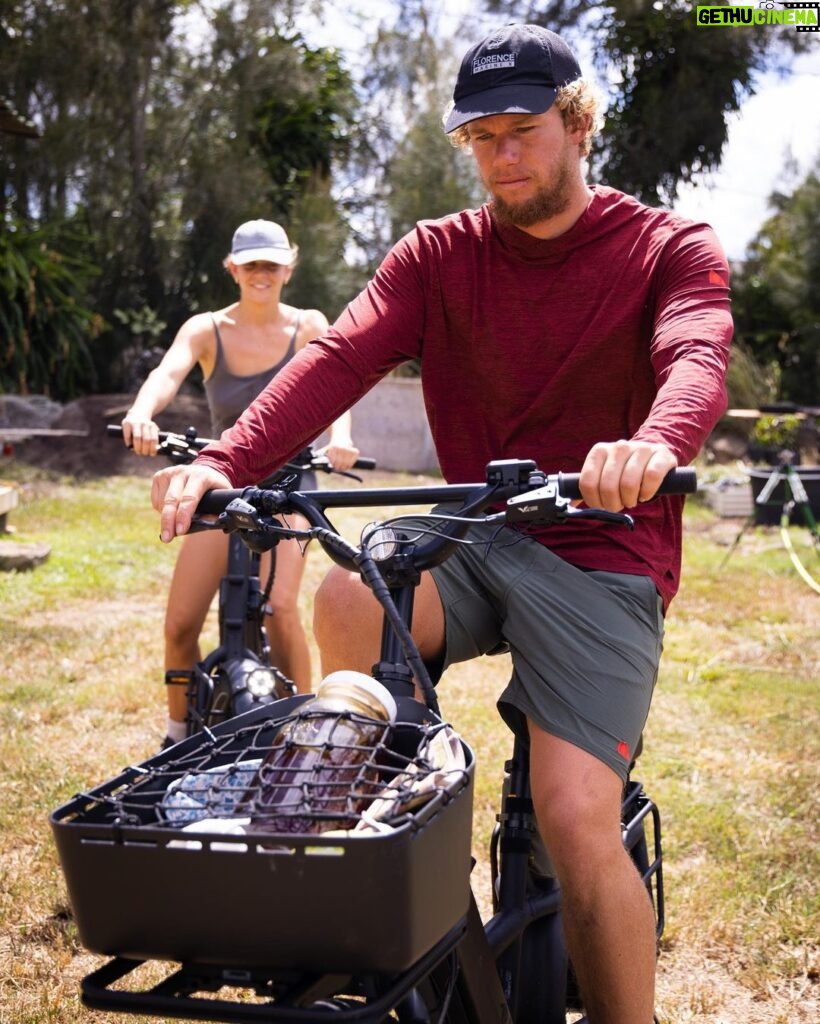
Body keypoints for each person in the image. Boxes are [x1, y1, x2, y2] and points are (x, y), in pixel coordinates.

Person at [150, 25, 733, 1023]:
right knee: (350, 589)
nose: (504, 155)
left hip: (601, 551)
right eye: (482, 138)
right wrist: (224, 460)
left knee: (575, 815)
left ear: (578, 122)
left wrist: (651, 442)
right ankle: (401, 851)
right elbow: (337, 360)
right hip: (480, 531)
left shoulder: (665, 246)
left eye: (525, 130)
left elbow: (696, 352)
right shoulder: (438, 254)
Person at [122, 219, 360, 746]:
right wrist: (141, 412)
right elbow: (168, 372)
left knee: (279, 610)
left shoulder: (307, 326)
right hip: (221, 483)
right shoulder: (207, 329)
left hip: (290, 483)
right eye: (251, 264)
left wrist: (340, 437)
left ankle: (305, 731)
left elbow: (337, 383)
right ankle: (176, 733)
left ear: (287, 269)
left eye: (271, 265)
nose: (261, 274)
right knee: (182, 622)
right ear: (233, 269)